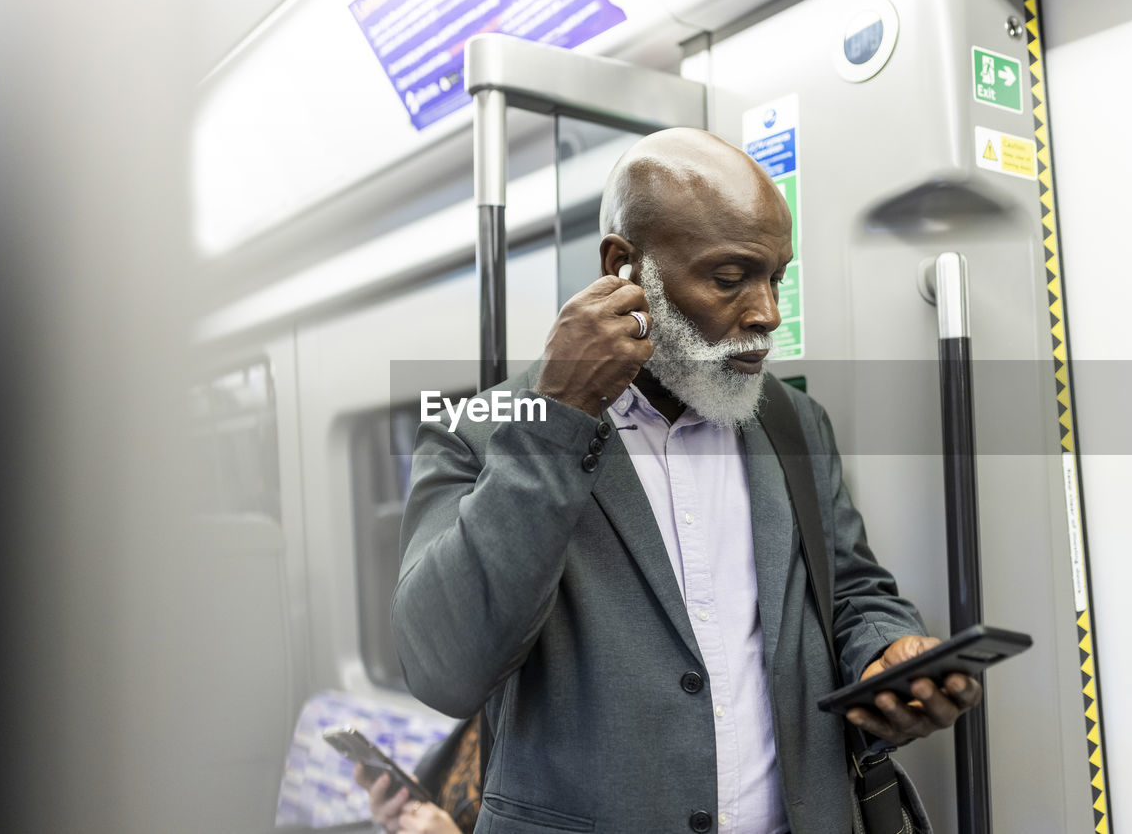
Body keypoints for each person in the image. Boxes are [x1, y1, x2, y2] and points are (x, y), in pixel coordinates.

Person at [392, 128, 982, 833]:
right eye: (730, 278)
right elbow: (444, 669)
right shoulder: (485, 431)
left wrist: (888, 652)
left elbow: (850, 592)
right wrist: (558, 418)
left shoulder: (793, 425)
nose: (767, 313)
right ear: (625, 266)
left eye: (776, 277)